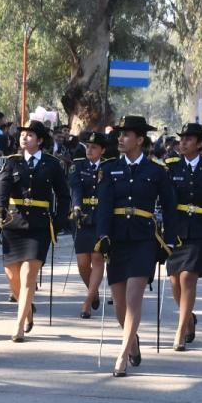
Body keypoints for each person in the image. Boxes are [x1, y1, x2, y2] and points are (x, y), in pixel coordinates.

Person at [94, 115, 178, 376]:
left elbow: (170, 206)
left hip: (143, 239)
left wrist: (171, 240)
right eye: (120, 134)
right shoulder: (109, 169)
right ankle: (132, 340)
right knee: (119, 302)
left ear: (140, 139)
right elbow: (104, 206)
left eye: (127, 134)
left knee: (133, 299)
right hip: (117, 238)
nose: (120, 138)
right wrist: (102, 236)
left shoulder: (157, 171)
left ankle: (121, 356)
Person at [0, 119, 69, 342]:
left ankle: (18, 326)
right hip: (13, 224)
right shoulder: (12, 162)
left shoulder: (51, 164)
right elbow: (3, 187)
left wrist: (59, 219)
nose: (24, 137)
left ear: (40, 140)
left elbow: (63, 195)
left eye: (30, 134)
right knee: (12, 276)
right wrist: (0, 208)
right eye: (22, 133)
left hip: (39, 226)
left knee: (27, 277)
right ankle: (27, 310)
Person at [163, 123, 202, 349]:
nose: (183, 142)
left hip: (201, 229)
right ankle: (188, 318)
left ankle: (179, 330)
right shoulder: (170, 166)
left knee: (188, 277)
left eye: (189, 139)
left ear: (199, 144)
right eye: (182, 138)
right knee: (174, 280)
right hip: (176, 228)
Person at [69, 131, 108, 318]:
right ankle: (94, 291)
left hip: (101, 217)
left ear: (102, 150)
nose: (89, 150)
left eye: (94, 147)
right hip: (83, 217)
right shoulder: (78, 166)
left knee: (97, 258)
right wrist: (76, 207)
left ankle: (87, 301)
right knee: (83, 264)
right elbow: (75, 187)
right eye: (88, 146)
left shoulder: (109, 167)